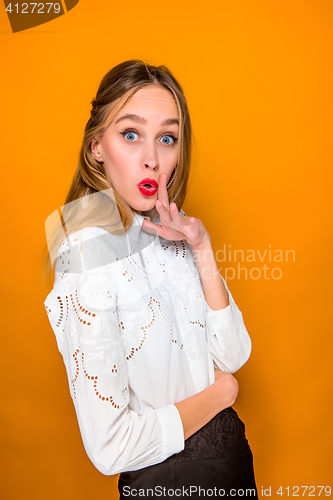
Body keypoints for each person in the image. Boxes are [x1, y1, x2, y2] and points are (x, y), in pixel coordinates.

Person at [43, 59, 258, 499]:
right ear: (95, 148)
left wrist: (201, 249)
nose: (152, 159)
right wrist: (220, 396)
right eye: (130, 134)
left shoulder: (168, 238)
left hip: (233, 468)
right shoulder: (85, 256)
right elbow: (110, 447)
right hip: (171, 485)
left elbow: (233, 354)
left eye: (167, 138)